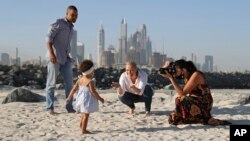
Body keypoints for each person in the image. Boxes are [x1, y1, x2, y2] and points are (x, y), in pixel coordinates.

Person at [160, 59, 231, 125]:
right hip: (193, 101)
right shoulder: (186, 77)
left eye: (177, 70)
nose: (176, 73)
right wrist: (166, 66)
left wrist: (171, 78)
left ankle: (206, 118)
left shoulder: (196, 75)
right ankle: (201, 119)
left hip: (204, 102)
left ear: (184, 69)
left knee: (180, 99)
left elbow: (182, 93)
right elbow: (162, 73)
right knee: (173, 119)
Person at [45, 5, 78, 115]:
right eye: (72, 15)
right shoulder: (58, 23)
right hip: (54, 58)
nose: (74, 17)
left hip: (66, 59)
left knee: (70, 84)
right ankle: (50, 108)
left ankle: (69, 107)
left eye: (76, 16)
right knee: (51, 84)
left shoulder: (71, 29)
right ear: (67, 14)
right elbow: (48, 39)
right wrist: (51, 53)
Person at [66, 59, 104, 134]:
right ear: (89, 72)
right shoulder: (90, 81)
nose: (94, 73)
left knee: (83, 114)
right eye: (93, 71)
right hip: (87, 100)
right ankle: (84, 130)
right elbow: (93, 91)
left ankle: (81, 126)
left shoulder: (80, 79)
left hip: (80, 99)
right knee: (86, 115)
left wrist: (69, 97)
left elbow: (74, 89)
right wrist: (100, 98)